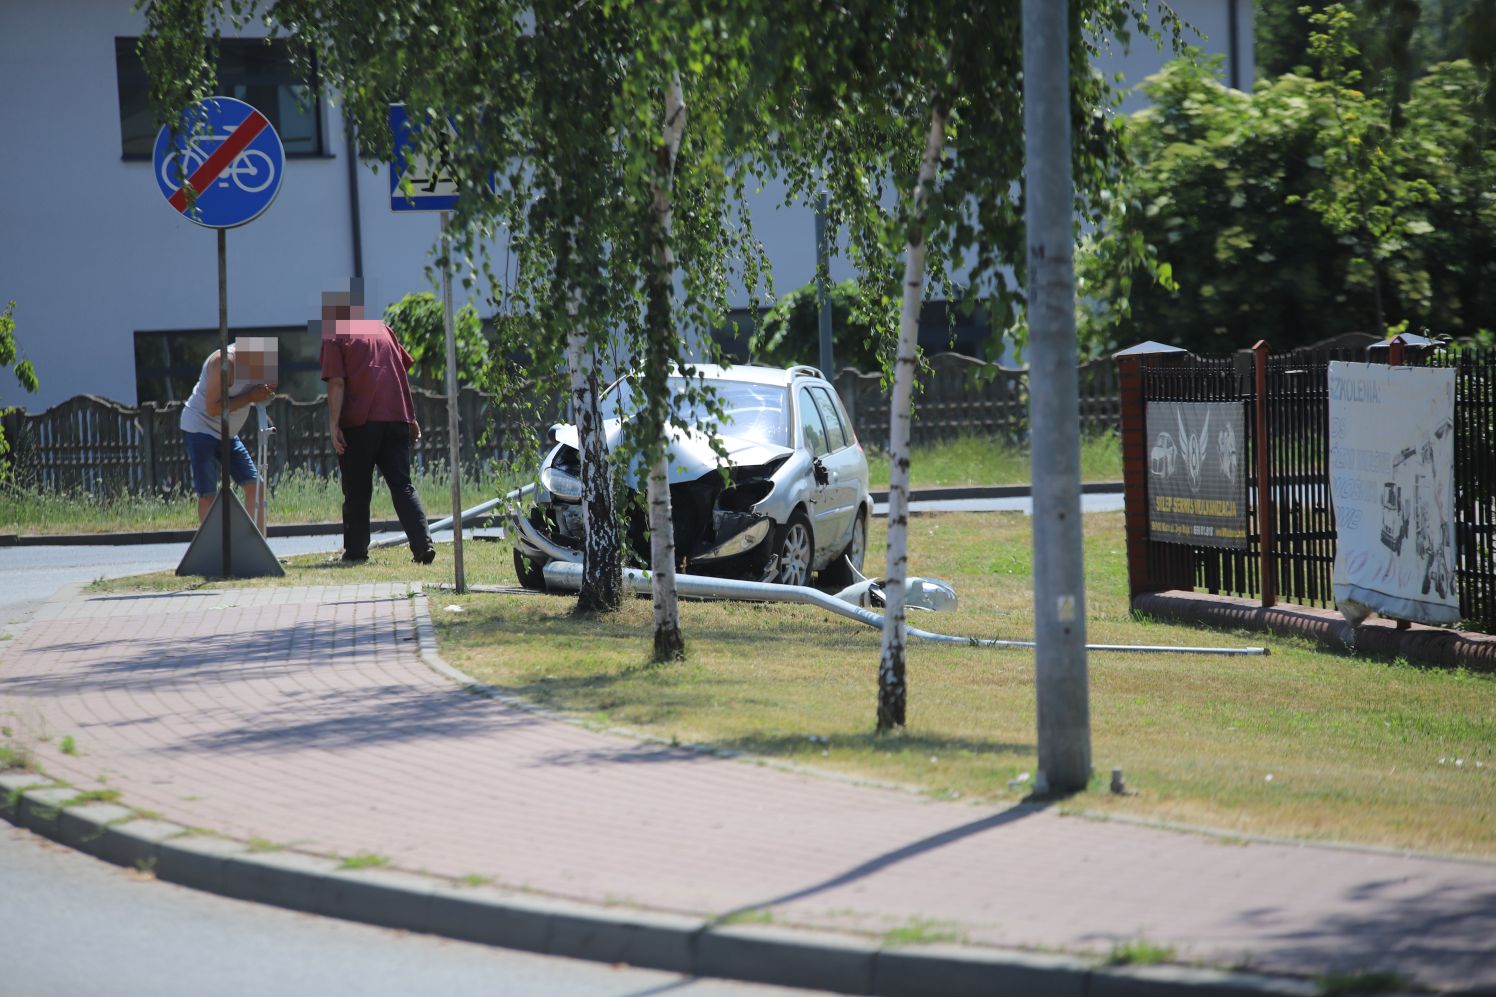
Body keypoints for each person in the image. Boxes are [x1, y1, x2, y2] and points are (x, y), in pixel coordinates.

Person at [319, 289, 436, 564]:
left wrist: (333, 425)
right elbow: (399, 374)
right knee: (402, 484)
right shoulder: (383, 330)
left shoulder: (334, 335)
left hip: (360, 421)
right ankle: (423, 546)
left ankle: (356, 552)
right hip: (396, 417)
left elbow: (336, 382)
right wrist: (411, 417)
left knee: (357, 489)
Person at [179, 342, 275, 533]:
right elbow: (213, 408)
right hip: (200, 429)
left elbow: (268, 391)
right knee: (208, 494)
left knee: (256, 486)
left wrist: (264, 395)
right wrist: (249, 397)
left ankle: (256, 548)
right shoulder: (222, 363)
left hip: (228, 435)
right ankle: (214, 547)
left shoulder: (262, 357)